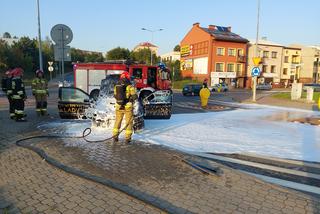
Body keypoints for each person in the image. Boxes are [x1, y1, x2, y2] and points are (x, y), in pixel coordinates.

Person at [113, 71, 138, 143]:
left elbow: (115, 95)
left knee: (117, 121)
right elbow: (134, 97)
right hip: (128, 107)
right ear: (128, 77)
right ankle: (127, 138)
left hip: (119, 106)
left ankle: (115, 137)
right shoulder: (130, 86)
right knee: (128, 122)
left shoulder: (116, 85)